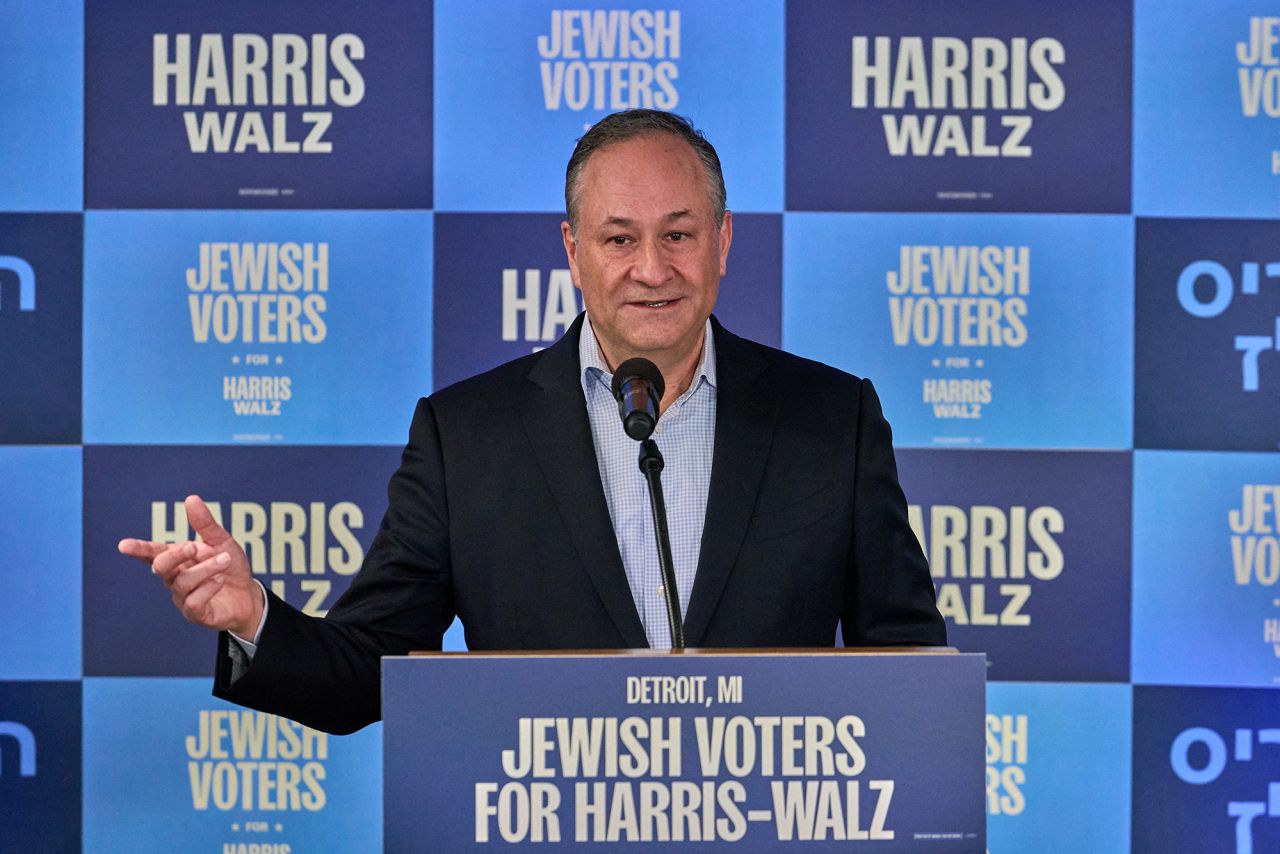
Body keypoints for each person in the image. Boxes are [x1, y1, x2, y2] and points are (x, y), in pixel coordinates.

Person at [119, 110, 945, 735]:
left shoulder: (834, 417)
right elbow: (373, 670)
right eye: (619, 238)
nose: (651, 269)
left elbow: (910, 670)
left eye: (680, 234)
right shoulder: (467, 436)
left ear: (724, 241)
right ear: (572, 250)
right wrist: (253, 617)